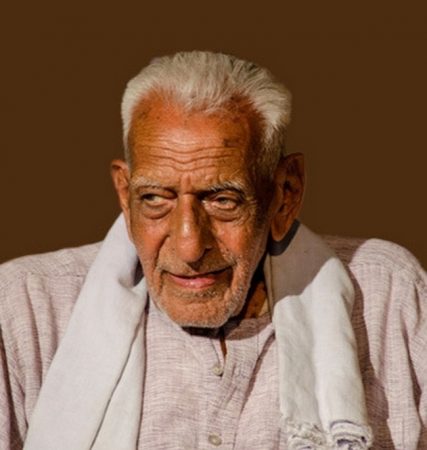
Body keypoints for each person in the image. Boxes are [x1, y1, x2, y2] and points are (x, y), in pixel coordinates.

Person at [0, 51, 426, 450]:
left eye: (223, 200)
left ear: (285, 194)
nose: (189, 247)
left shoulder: (387, 297)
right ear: (125, 195)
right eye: (155, 199)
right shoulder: (28, 308)